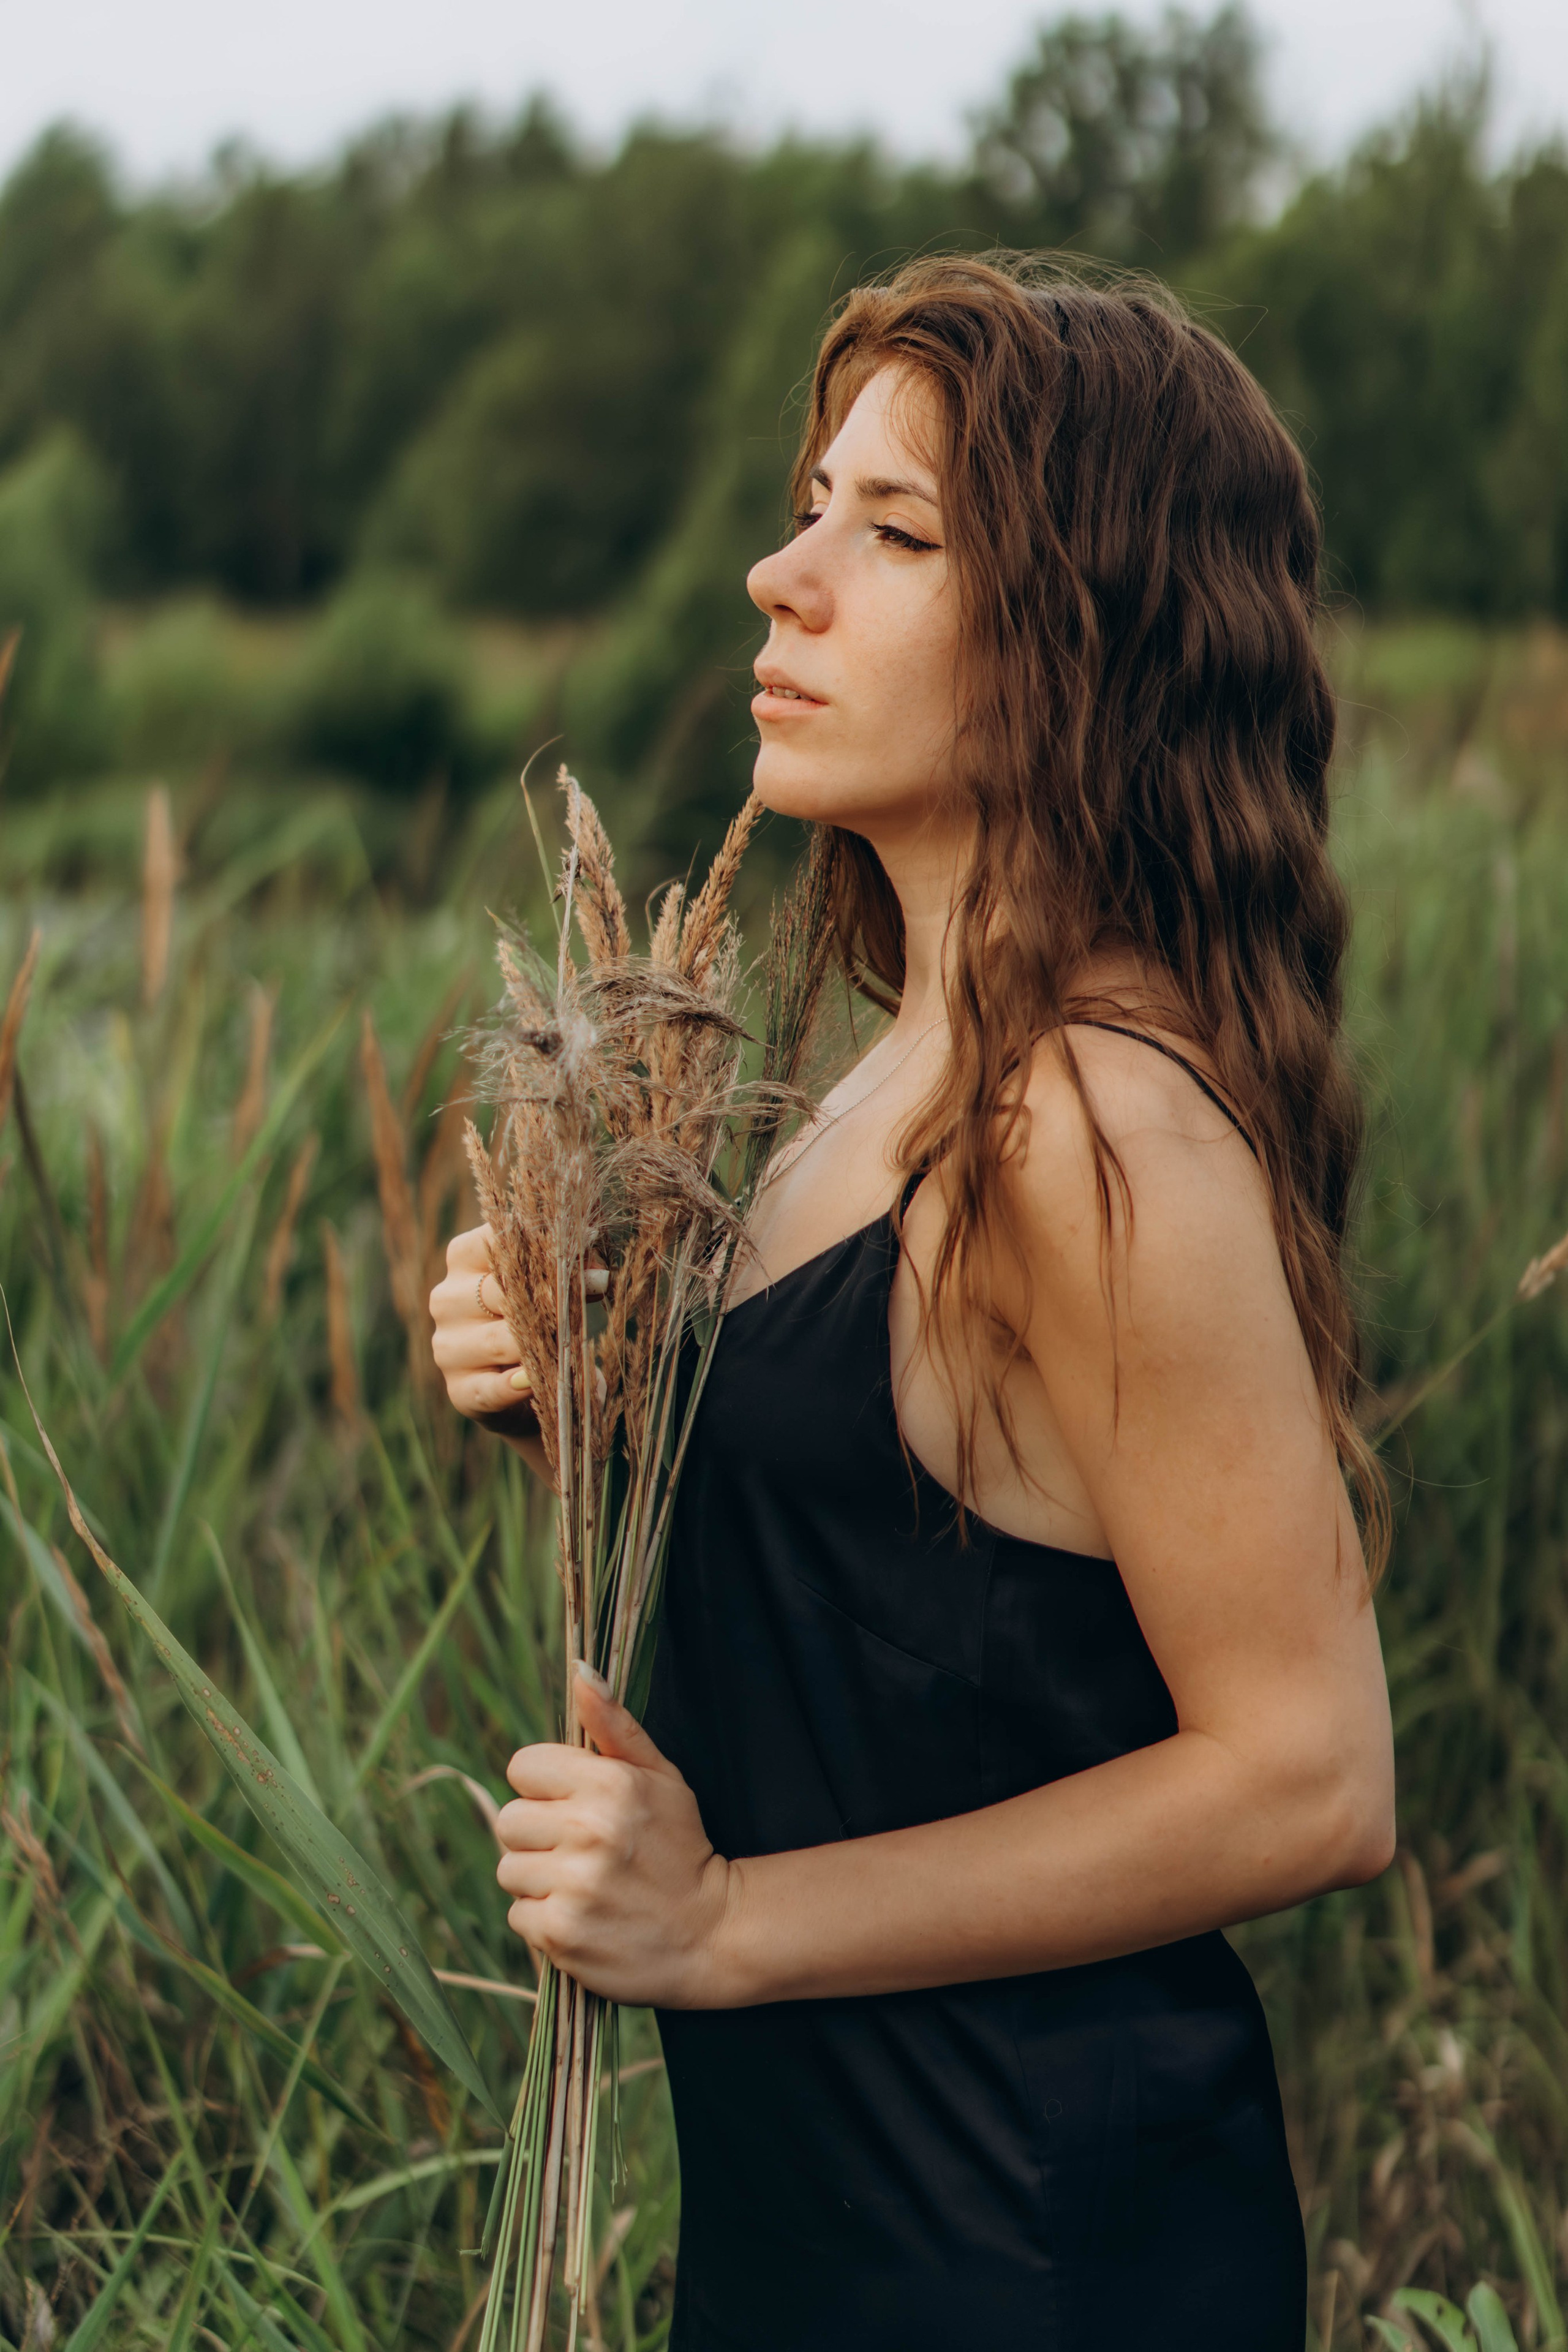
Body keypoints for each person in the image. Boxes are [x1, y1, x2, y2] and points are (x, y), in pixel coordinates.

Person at [429, 256, 1396, 2350]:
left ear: (1086, 630)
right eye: (811, 503)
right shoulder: (893, 1072)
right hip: (827, 2225)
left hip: (1036, 2247)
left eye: (897, 532)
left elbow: (1312, 1774)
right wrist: (578, 1407)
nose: (786, 577)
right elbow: (906, 1591)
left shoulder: (1093, 1121)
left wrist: (731, 1923)